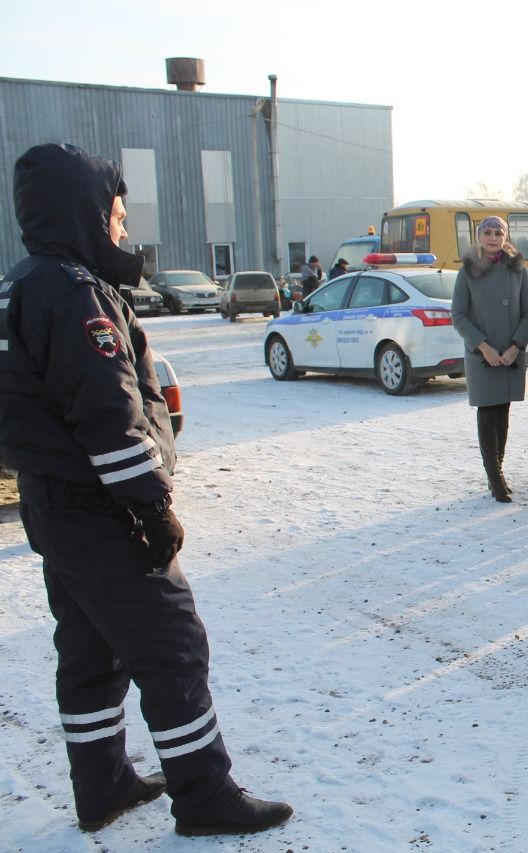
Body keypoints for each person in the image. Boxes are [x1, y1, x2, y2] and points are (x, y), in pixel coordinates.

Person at [0, 143, 291, 836]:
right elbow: (107, 410)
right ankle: (204, 794)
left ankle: (100, 783)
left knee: (91, 646)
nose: (123, 227)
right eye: (116, 213)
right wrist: (151, 505)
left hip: (54, 502)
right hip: (99, 507)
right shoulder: (74, 292)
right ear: (85, 211)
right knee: (171, 643)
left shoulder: (22, 281)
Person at [452, 215, 528, 502]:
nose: (492, 238)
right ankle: (495, 476)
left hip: (510, 355)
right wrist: (484, 348)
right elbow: (459, 316)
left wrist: (515, 347)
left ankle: (497, 471)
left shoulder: (518, 269)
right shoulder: (467, 272)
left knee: (503, 411)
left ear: (505, 236)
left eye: (497, 233)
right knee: (487, 412)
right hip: (482, 357)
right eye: (487, 232)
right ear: (479, 236)